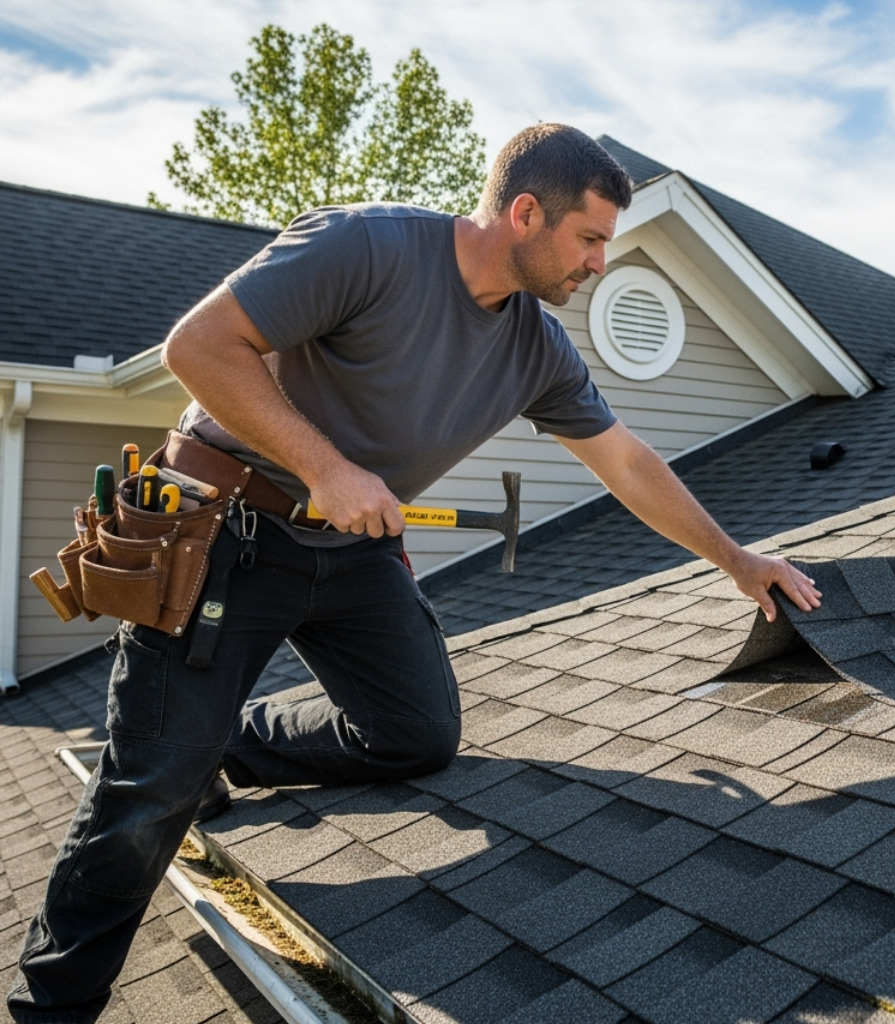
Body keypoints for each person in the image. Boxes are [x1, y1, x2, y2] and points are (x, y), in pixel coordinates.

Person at [8, 123, 821, 1023]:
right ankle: (53, 1005)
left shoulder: (535, 348)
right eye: (590, 239)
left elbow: (626, 462)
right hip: (225, 528)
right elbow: (196, 348)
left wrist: (736, 558)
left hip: (349, 547)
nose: (599, 264)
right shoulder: (368, 244)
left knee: (416, 732)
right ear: (524, 212)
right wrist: (326, 466)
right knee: (146, 796)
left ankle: (220, 744)